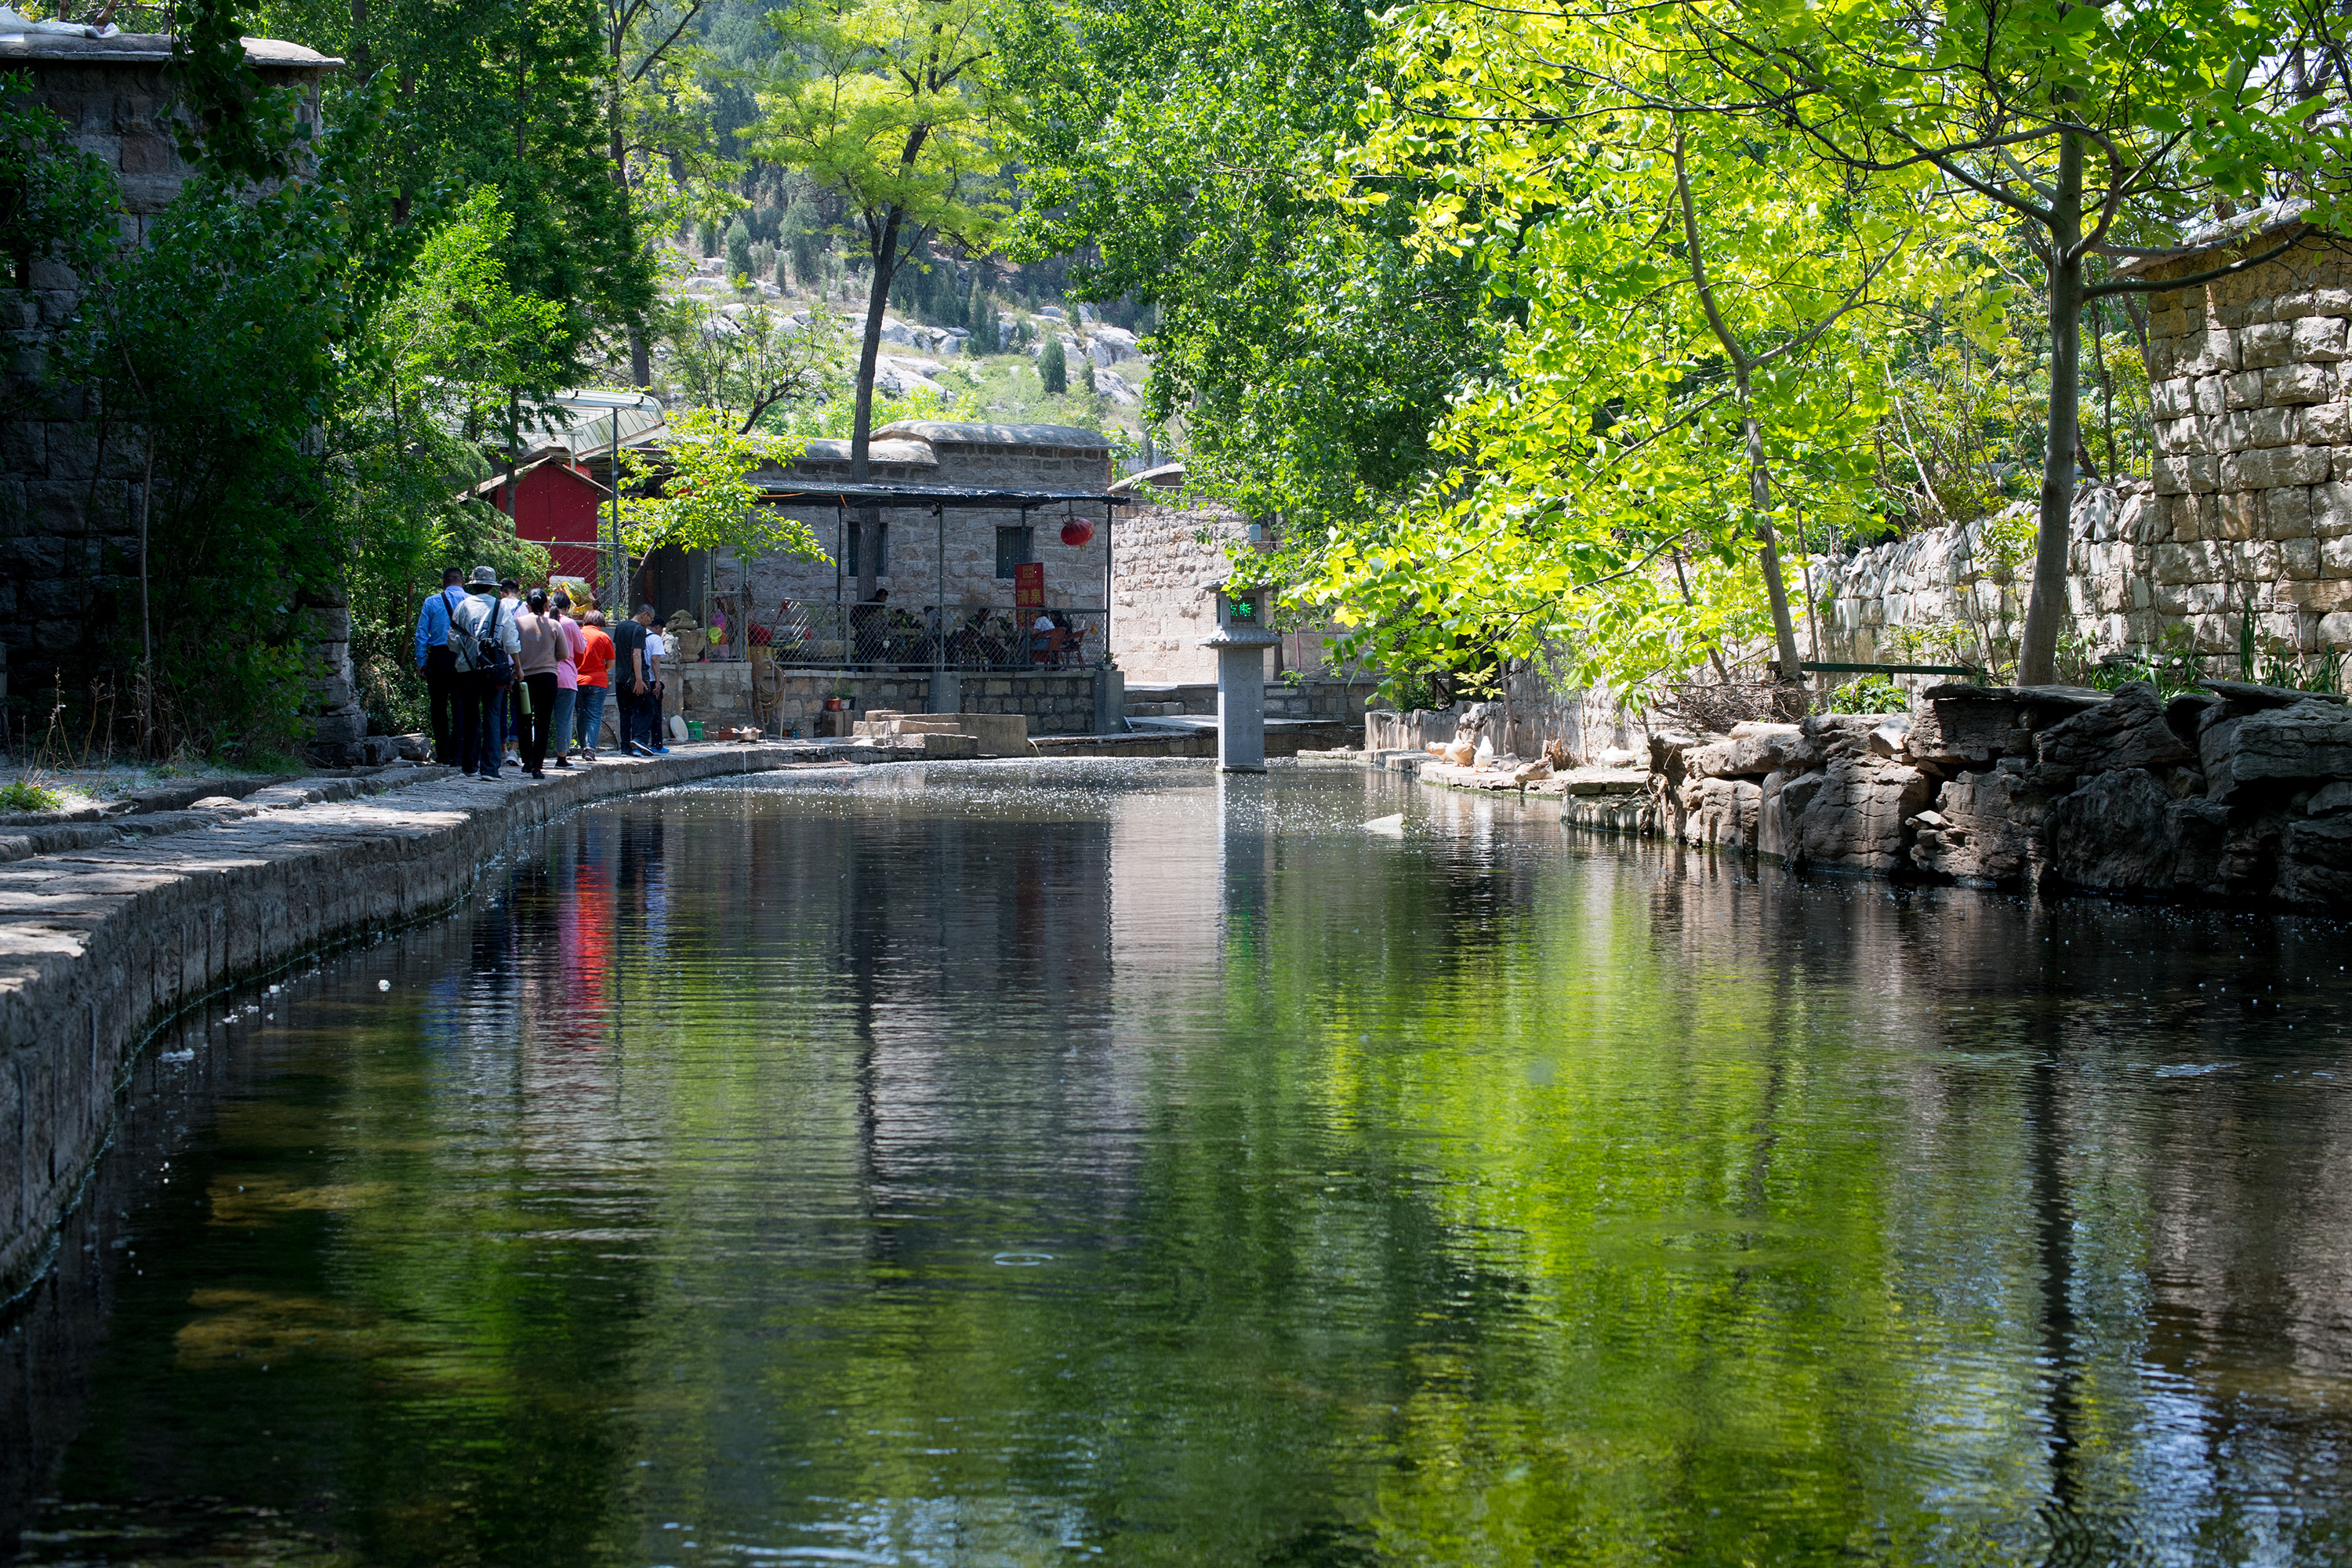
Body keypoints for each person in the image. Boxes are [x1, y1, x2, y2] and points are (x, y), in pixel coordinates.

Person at [449, 566, 520, 779]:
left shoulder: (462, 606)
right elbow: (511, 641)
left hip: (466, 669)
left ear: (472, 585)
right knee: (493, 714)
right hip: (494, 671)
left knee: (470, 715)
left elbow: (451, 641)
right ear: (492, 586)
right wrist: (518, 668)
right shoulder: (500, 607)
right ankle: (490, 768)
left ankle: (469, 766)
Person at [412, 567, 468, 764]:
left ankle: (443, 753)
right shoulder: (470, 601)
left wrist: (421, 661)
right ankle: (459, 753)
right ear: (462, 582)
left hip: (438, 657)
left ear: (444, 582)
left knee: (438, 706)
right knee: (461, 705)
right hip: (463, 657)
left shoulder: (432, 601)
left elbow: (421, 634)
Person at [513, 590, 561, 779]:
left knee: (523, 719)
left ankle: (526, 761)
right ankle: (537, 766)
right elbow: (564, 653)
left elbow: (510, 647)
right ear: (545, 606)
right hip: (548, 677)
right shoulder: (554, 624)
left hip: (523, 677)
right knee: (543, 720)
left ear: (528, 604)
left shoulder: (517, 623)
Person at [612, 604, 655, 757]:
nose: (650, 622)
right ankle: (640, 739)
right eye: (650, 618)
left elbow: (620, 650)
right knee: (649, 709)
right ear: (644, 614)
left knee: (625, 713)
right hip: (635, 678)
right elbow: (636, 655)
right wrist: (638, 679)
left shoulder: (620, 626)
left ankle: (625, 748)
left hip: (620, 677)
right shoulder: (640, 630)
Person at [548, 591, 583, 768]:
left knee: (540, 717)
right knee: (564, 719)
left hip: (543, 674)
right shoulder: (569, 623)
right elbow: (581, 648)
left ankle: (534, 754)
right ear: (568, 607)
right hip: (566, 677)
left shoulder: (542, 621)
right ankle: (561, 757)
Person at [574, 610, 614, 760]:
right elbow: (611, 662)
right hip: (597, 682)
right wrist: (601, 670)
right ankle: (590, 749)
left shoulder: (577, 633)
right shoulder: (603, 636)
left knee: (581, 715)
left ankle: (583, 747)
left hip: (577, 680)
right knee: (594, 716)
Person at [645, 620, 672, 752]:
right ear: (658, 627)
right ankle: (657, 744)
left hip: (640, 679)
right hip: (651, 679)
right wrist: (657, 681)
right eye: (661, 630)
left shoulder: (639, 634)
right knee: (655, 713)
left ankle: (641, 742)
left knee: (641, 712)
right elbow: (655, 659)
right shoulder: (655, 638)